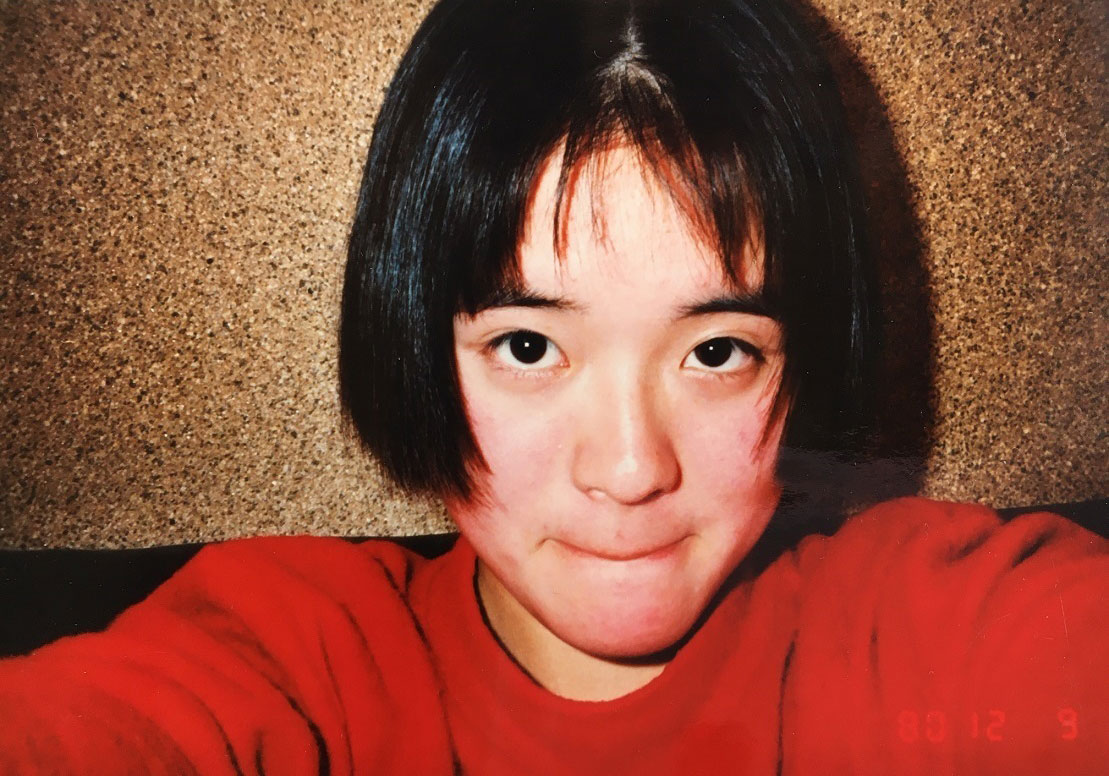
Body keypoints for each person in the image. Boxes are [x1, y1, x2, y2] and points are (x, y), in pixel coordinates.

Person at [2, 0, 1105, 773]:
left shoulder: (914, 626)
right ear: (411, 341)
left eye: (716, 351)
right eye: (528, 346)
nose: (627, 469)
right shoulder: (300, 657)